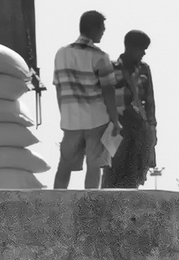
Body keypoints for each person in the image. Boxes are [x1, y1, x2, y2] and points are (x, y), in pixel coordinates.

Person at [52, 10, 120, 190]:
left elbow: (59, 88)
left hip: (70, 120)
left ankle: (57, 202)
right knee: (94, 165)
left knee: (64, 165)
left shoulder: (61, 54)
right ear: (94, 28)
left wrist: (64, 115)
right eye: (102, 28)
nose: (103, 32)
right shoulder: (100, 57)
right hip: (95, 119)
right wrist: (114, 119)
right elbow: (108, 91)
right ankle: (90, 205)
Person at [103, 29, 158, 190]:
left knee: (134, 172)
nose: (144, 53)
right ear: (131, 47)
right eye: (142, 49)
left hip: (139, 128)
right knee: (113, 171)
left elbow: (149, 100)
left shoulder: (144, 70)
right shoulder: (111, 68)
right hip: (117, 128)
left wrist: (152, 126)